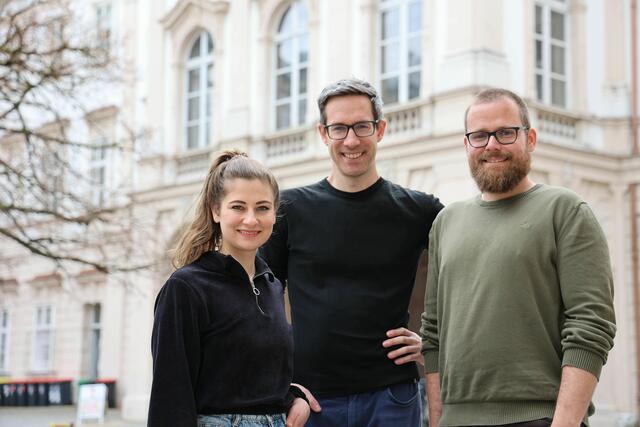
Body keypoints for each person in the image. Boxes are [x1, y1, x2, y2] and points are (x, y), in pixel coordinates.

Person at [420, 88, 617, 427]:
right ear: (466, 145)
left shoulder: (566, 210)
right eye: (479, 135)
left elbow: (591, 325)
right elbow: (433, 333)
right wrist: (438, 420)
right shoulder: (446, 222)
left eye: (505, 133)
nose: (491, 145)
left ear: (531, 138)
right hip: (456, 419)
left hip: (538, 417)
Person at [259, 78, 443, 426]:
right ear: (323, 133)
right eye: (339, 128)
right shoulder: (289, 209)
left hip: (391, 396)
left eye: (362, 126)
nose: (351, 140)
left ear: (380, 129)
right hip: (311, 400)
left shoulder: (419, 210)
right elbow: (259, 301)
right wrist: (282, 383)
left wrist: (434, 341)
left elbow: (466, 275)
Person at [148, 151, 310, 427]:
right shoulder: (187, 287)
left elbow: (253, 373)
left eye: (262, 208)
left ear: (274, 213)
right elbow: (171, 392)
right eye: (238, 207)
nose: (251, 219)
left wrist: (294, 398)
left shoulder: (270, 284)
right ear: (216, 210)